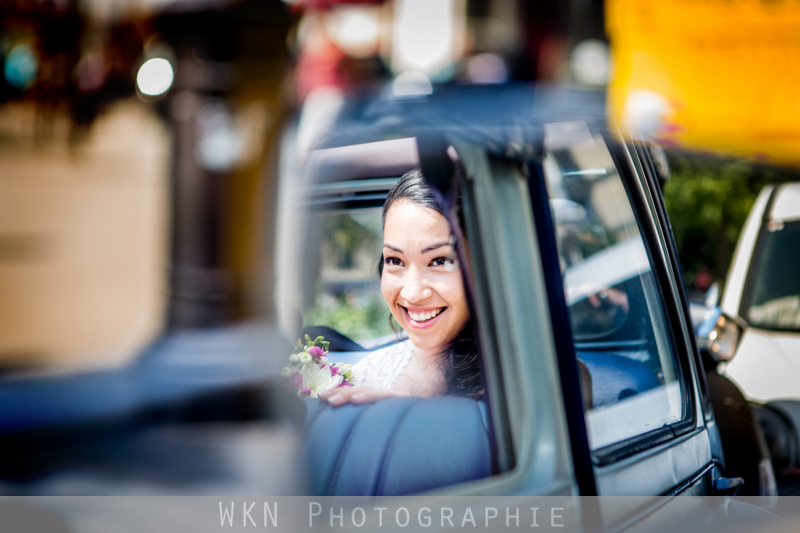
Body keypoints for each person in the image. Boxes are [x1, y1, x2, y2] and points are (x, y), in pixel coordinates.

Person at [318, 169, 483, 406]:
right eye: (395, 261)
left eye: (440, 261)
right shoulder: (366, 374)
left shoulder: (524, 378)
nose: (412, 293)